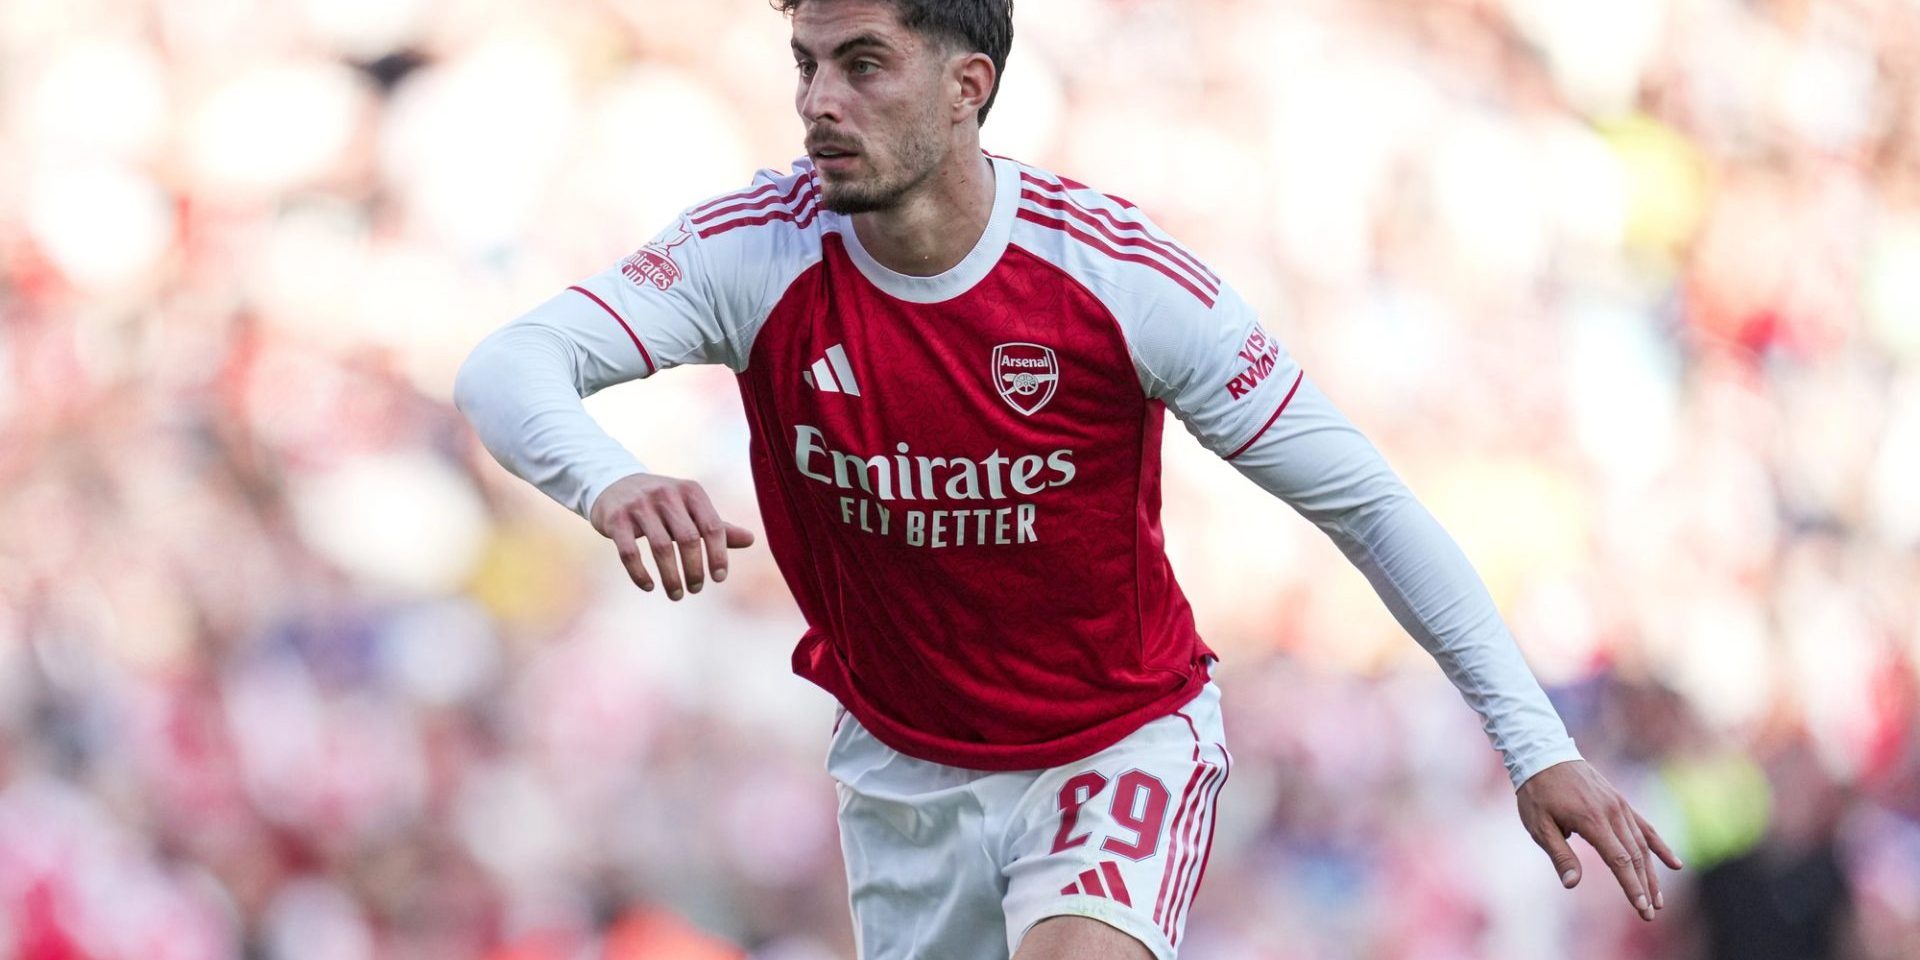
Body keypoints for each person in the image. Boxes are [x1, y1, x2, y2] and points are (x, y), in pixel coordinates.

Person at [452, 1, 1684, 956]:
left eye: (863, 64)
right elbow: (510, 366)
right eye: (806, 66)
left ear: (965, 86)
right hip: (900, 774)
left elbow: (1363, 501)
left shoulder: (1120, 281)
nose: (820, 103)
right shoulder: (753, 253)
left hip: (1114, 744)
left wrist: (1536, 747)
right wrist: (606, 479)